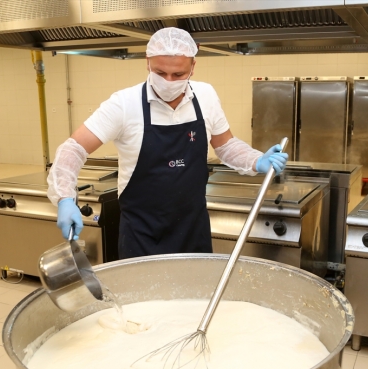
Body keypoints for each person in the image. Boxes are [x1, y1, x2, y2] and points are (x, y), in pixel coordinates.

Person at [47, 27, 288, 260]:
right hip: (141, 235)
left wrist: (256, 160)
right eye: (160, 73)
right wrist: (65, 198)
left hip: (193, 230)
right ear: (147, 62)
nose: (169, 81)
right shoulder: (124, 104)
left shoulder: (206, 96)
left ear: (193, 66)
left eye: (178, 74)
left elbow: (225, 145)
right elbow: (73, 148)